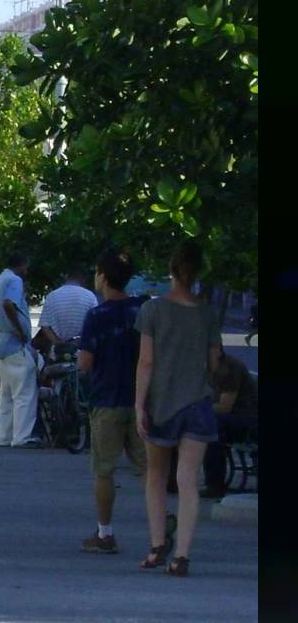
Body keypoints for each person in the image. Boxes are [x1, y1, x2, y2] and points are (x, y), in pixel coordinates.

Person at [134, 242, 222, 577]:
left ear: (170, 271)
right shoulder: (207, 312)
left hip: (162, 403)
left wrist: (139, 404)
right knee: (188, 480)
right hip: (197, 403)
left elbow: (146, 362)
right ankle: (182, 555)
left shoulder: (152, 311)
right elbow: (214, 361)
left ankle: (158, 546)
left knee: (156, 476)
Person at [76, 248, 150, 554]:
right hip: (141, 400)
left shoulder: (97, 315)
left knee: (104, 469)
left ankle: (105, 533)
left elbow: (85, 363)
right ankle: (163, 520)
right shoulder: (142, 311)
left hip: (106, 399)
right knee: (148, 468)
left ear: (103, 277)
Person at [0, 253, 40, 448]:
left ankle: (5, 436)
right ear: (22, 265)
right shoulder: (14, 280)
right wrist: (20, 330)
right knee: (24, 393)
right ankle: (21, 438)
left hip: (0, 345)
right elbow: (9, 303)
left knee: (7, 394)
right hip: (14, 344)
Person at [199, 351, 258, 499]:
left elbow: (225, 407)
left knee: (213, 425)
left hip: (249, 420)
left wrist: (196, 408)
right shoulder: (207, 367)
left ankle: (214, 484)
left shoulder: (228, 368)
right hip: (237, 418)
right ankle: (174, 478)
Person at [38, 269, 99, 346]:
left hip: (59, 350)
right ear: (83, 280)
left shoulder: (52, 296)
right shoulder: (90, 296)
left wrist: (56, 342)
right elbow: (96, 323)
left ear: (67, 278)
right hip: (82, 348)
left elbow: (44, 326)